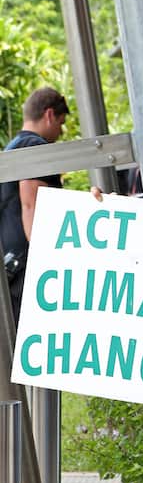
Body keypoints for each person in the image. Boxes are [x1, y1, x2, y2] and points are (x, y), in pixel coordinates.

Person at [1, 87, 69, 316]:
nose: (60, 131)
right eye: (61, 123)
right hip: (29, 267)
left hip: (11, 265)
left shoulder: (11, 148)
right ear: (49, 114)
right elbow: (32, 206)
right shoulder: (34, 147)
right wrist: (49, 262)